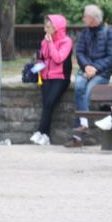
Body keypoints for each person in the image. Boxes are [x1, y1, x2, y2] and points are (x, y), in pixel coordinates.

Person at [65, 4, 112, 147]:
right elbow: (80, 52)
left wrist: (95, 68)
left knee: (89, 91)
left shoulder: (109, 32)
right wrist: (87, 66)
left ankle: (80, 131)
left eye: (85, 16)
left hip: (103, 72)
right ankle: (83, 124)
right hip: (86, 69)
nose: (83, 18)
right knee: (79, 87)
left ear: (93, 18)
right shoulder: (85, 33)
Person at [31, 15, 73, 146]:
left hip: (60, 78)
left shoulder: (66, 41)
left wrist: (50, 43)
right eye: (45, 26)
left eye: (48, 26)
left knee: (49, 103)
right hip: (46, 77)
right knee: (47, 105)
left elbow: (58, 58)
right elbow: (43, 58)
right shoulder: (45, 41)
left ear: (57, 28)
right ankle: (45, 135)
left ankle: (41, 132)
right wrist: (37, 66)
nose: (45, 29)